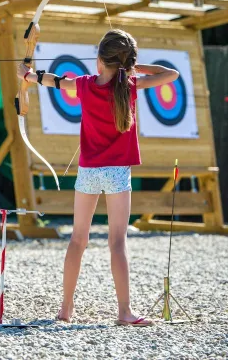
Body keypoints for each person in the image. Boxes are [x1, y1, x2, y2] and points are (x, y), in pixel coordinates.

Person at [17, 29, 179, 326]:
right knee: (117, 241)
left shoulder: (86, 85)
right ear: (125, 63)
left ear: (99, 61)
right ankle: (124, 312)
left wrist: (28, 76)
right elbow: (172, 74)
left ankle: (65, 309)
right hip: (118, 173)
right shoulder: (130, 85)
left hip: (89, 171)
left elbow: (55, 81)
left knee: (78, 239)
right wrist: (133, 67)